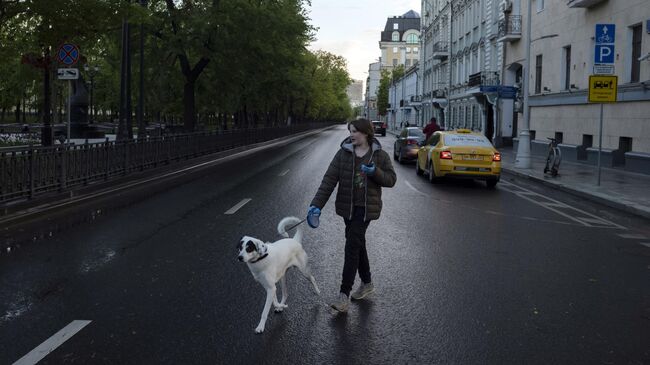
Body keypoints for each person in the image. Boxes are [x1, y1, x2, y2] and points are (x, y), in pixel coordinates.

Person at [308, 118, 397, 312]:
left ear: (366, 133)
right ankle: (367, 282)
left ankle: (343, 295)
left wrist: (375, 173)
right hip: (347, 208)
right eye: (350, 131)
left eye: (355, 131)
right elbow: (329, 180)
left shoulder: (379, 155)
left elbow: (391, 180)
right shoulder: (343, 153)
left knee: (351, 246)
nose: (351, 134)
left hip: (365, 209)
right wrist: (316, 205)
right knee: (358, 243)